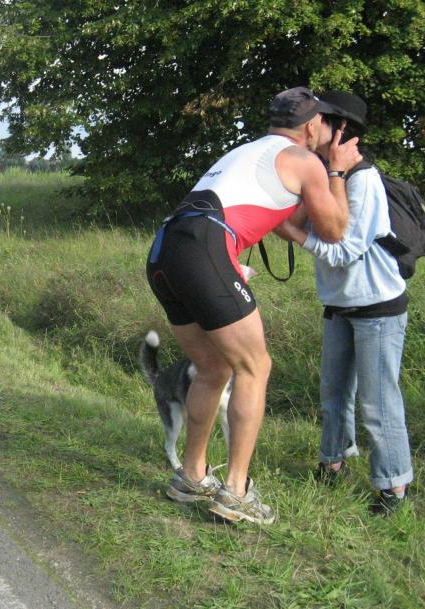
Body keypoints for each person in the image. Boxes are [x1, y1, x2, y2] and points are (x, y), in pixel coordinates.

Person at [145, 86, 363, 524]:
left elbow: (282, 217)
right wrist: (337, 171)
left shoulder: (247, 152)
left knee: (213, 367)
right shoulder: (304, 160)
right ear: (311, 127)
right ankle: (237, 491)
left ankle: (192, 476)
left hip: (165, 249)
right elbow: (335, 229)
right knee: (255, 367)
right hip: (204, 247)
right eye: (325, 124)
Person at [273, 91, 413, 514]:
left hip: (377, 306)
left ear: (341, 130)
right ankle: (332, 463)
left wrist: (295, 235)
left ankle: (393, 485)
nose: (311, 127)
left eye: (320, 120)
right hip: (339, 303)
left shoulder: (363, 180)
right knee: (333, 394)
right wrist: (322, 175)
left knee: (377, 402)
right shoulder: (320, 174)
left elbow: (345, 251)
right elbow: (294, 219)